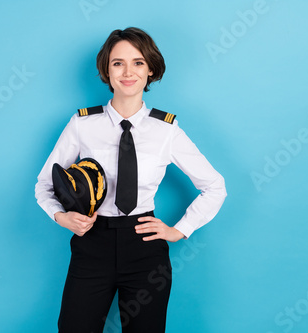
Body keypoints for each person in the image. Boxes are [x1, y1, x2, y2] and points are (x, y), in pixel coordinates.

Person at [35, 27, 227, 333]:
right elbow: (44, 184)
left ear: (150, 69)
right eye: (117, 63)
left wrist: (181, 229)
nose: (128, 72)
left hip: (145, 250)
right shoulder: (83, 124)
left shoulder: (166, 130)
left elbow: (215, 187)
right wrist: (61, 217)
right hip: (91, 245)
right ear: (106, 70)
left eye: (138, 63)